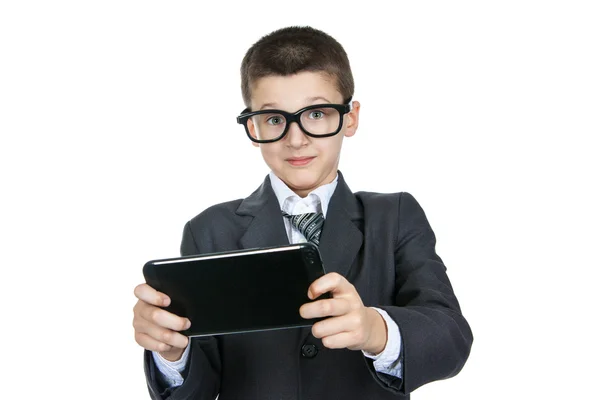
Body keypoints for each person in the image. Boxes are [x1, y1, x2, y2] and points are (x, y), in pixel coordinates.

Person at [133, 26, 473, 400]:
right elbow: (198, 388)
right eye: (275, 119)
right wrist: (172, 353)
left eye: (316, 113)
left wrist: (375, 330)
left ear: (350, 118)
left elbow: (450, 337)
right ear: (251, 126)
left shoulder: (394, 216)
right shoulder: (210, 231)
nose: (296, 139)